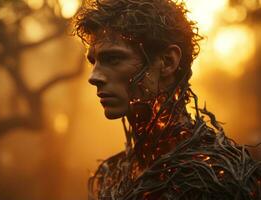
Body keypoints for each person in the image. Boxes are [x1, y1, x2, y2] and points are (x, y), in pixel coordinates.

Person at [72, 0, 261, 199]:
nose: (94, 77)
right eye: (94, 61)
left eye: (114, 59)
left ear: (168, 62)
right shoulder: (112, 176)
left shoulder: (213, 179)